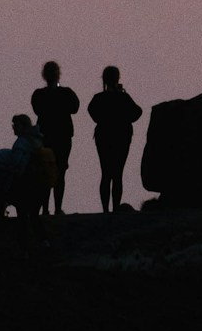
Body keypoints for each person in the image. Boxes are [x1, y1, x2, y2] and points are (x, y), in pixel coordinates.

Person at [87, 65, 143, 217]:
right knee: (117, 174)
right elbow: (138, 112)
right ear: (117, 79)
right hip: (121, 137)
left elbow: (91, 111)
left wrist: (104, 120)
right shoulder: (124, 98)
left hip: (103, 136)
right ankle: (115, 208)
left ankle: (105, 210)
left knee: (106, 173)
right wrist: (124, 119)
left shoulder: (99, 98)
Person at [31, 61, 81, 218]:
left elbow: (37, 109)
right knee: (60, 172)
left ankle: (45, 209)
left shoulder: (39, 95)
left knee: (45, 173)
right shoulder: (66, 93)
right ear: (58, 74)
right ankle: (58, 208)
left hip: (45, 137)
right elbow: (75, 108)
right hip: (63, 137)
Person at [0, 113, 54, 226]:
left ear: (23, 126)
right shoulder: (36, 140)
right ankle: (44, 241)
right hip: (37, 185)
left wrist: (4, 170)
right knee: (33, 217)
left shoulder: (21, 143)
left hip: (23, 185)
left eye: (16, 125)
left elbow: (18, 166)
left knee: (23, 217)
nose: (13, 127)